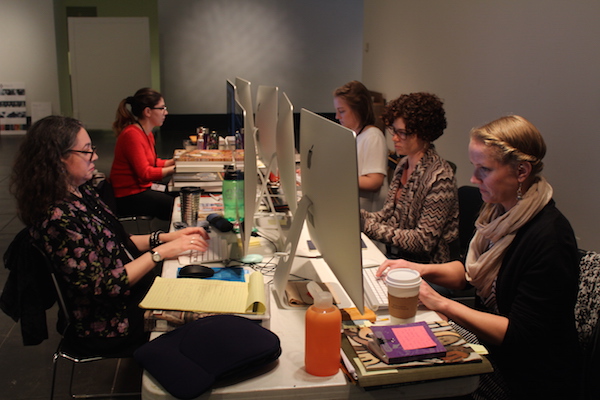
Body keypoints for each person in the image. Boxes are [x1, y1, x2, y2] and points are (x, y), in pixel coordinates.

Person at [377, 115, 582, 399]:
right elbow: (470, 274)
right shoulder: (499, 213)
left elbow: (520, 335)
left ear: (522, 171)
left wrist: (440, 303)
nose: (473, 179)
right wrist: (418, 268)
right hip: (496, 349)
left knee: (405, 382)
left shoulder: (550, 238)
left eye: (484, 169)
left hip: (524, 375)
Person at [10, 116, 209, 356]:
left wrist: (167, 238)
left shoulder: (81, 192)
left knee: (198, 288)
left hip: (127, 299)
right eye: (86, 151)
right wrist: (159, 254)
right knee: (206, 313)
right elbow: (103, 287)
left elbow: (118, 242)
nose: (94, 156)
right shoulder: (58, 220)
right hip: (109, 323)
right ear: (58, 159)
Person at [360, 92, 459, 263]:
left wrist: (366, 226)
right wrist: (356, 216)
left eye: (402, 133)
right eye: (394, 130)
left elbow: (423, 241)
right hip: (399, 258)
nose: (394, 138)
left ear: (424, 133)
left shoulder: (440, 178)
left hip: (428, 267)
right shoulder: (403, 164)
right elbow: (388, 215)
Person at [110, 87, 176, 221]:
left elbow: (152, 162)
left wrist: (175, 161)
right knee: (178, 206)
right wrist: (175, 169)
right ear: (147, 111)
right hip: (129, 196)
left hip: (141, 189)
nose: (166, 112)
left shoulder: (146, 133)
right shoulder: (132, 135)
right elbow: (145, 174)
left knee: (180, 195)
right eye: (162, 108)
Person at [333, 81, 388, 212]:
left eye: (342, 111)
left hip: (367, 214)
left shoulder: (373, 137)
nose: (337, 116)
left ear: (359, 110)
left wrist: (335, 177)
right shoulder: (355, 135)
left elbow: (374, 182)